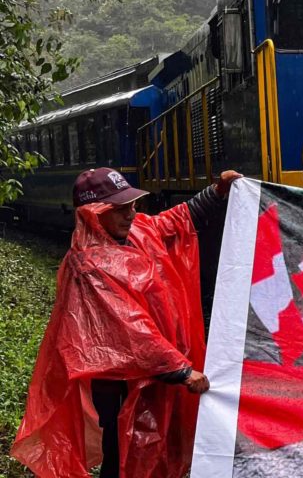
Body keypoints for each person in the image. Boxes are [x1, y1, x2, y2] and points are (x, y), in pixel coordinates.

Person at [11, 167, 242, 478]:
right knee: (121, 451)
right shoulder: (88, 265)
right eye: (120, 209)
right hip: (120, 383)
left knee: (152, 445)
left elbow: (174, 220)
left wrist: (217, 192)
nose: (131, 214)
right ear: (94, 214)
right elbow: (130, 328)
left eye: (132, 205)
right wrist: (182, 370)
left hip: (155, 373)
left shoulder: (138, 231)